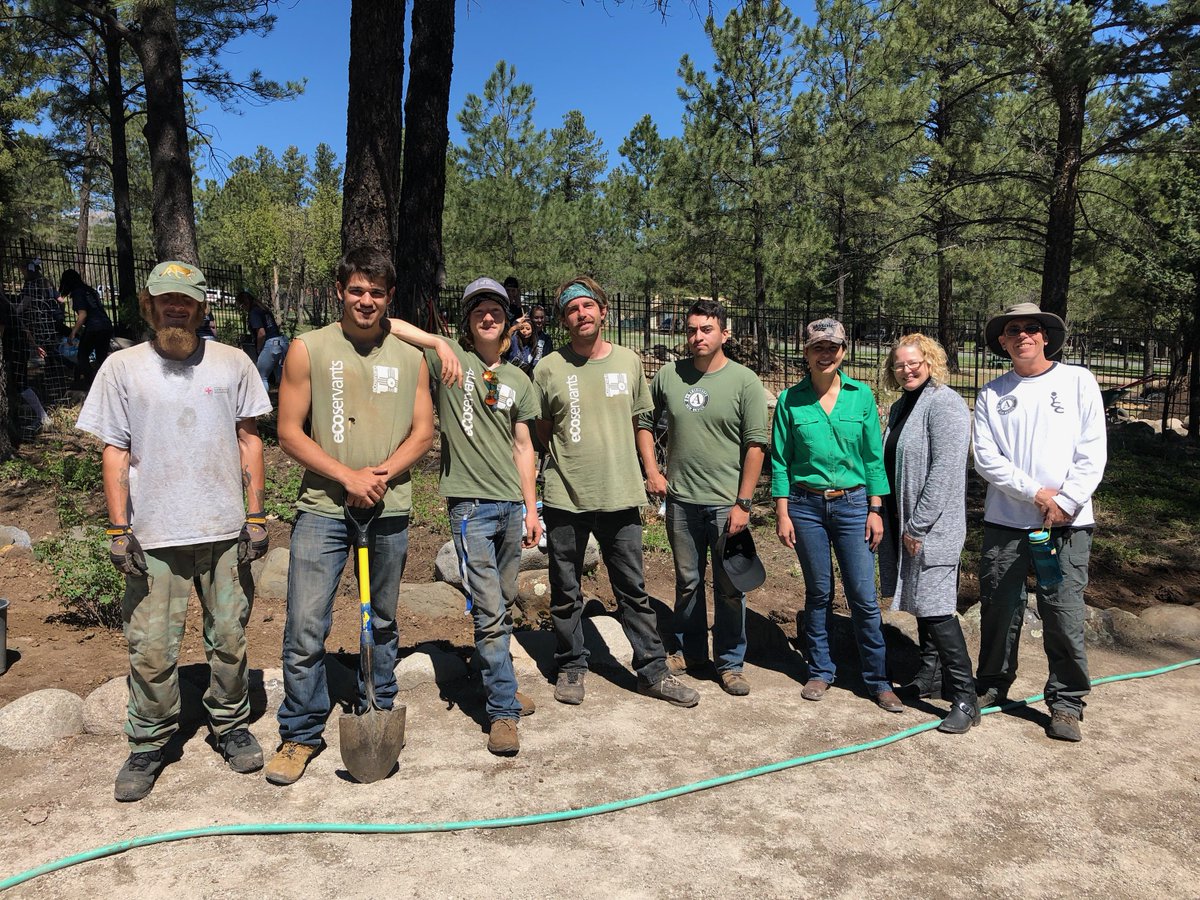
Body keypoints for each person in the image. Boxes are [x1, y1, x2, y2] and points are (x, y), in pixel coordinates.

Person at [75, 260, 272, 801]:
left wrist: (255, 517)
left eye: (186, 299)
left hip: (223, 527)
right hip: (154, 533)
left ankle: (230, 723)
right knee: (152, 646)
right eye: (166, 299)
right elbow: (113, 450)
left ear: (202, 306)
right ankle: (149, 741)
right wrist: (119, 530)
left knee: (229, 636)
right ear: (149, 305)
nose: (176, 307)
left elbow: (249, 439)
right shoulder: (122, 369)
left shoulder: (234, 364)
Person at [266, 246, 434, 785]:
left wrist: (380, 474)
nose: (366, 300)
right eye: (357, 290)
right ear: (340, 291)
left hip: (390, 506)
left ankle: (377, 706)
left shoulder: (410, 357)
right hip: (323, 508)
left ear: (389, 298)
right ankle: (300, 731)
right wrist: (347, 476)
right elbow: (289, 431)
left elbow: (423, 432)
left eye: (377, 292)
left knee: (381, 620)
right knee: (305, 625)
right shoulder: (308, 349)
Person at [534, 275, 699, 709]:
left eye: (588, 306)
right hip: (565, 496)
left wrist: (651, 471)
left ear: (603, 313)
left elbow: (641, 423)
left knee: (632, 588)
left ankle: (653, 671)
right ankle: (571, 664)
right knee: (565, 588)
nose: (581, 314)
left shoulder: (627, 363)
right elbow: (541, 433)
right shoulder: (549, 368)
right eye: (572, 309)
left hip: (621, 494)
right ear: (564, 319)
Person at [394, 277, 542, 754]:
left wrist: (531, 508)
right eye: (478, 309)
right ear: (468, 319)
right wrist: (437, 340)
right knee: (488, 609)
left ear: (507, 319)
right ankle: (502, 711)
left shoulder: (519, 379)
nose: (487, 316)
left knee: (500, 602)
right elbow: (389, 325)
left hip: (510, 509)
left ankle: (500, 679)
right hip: (470, 508)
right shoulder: (448, 362)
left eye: (495, 309)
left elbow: (524, 448)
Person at [973, 302, 1106, 742]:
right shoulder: (992, 393)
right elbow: (987, 459)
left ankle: (1067, 701)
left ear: (1045, 336)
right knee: (998, 608)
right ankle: (992, 683)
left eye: (1032, 328)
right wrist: (1035, 493)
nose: (1024, 335)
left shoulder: (1078, 381)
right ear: (1003, 342)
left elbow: (1092, 450)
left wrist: (1065, 500)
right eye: (1014, 330)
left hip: (1068, 523)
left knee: (1063, 611)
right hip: (1007, 521)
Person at [637, 299, 768, 697]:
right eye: (691, 330)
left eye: (706, 329)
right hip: (681, 501)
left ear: (724, 333)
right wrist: (653, 471)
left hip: (726, 504)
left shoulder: (745, 381)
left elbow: (756, 445)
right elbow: (643, 420)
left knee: (730, 588)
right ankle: (693, 654)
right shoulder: (668, 375)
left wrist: (743, 503)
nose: (697, 337)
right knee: (688, 582)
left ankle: (730, 663)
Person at [771, 318, 901, 713]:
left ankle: (878, 680)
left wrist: (876, 509)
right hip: (805, 506)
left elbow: (873, 458)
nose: (825, 355)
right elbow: (780, 460)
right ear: (806, 353)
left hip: (853, 505)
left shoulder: (861, 397)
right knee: (819, 592)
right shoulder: (790, 401)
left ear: (843, 351)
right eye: (818, 348)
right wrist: (782, 511)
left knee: (862, 596)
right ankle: (820, 670)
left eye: (833, 348)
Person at [877, 333, 977, 733]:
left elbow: (946, 471)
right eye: (899, 364)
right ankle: (929, 675)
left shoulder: (946, 404)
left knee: (936, 609)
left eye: (914, 362)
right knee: (920, 602)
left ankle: (966, 699)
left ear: (932, 362)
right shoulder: (902, 406)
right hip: (907, 522)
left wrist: (917, 524)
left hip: (933, 527)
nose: (907, 369)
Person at [60, 269, 113, 388]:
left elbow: (83, 315)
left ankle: (91, 384)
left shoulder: (78, 292)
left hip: (94, 327)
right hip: (106, 325)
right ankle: (108, 382)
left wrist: (73, 333)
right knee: (101, 357)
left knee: (82, 356)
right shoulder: (89, 290)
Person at [237, 291, 288, 392]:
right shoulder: (264, 310)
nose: (243, 309)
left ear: (245, 304)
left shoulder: (253, 312)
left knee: (261, 377)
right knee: (282, 378)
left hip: (270, 345)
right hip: (282, 342)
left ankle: (264, 405)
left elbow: (261, 333)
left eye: (242, 306)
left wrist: (259, 348)